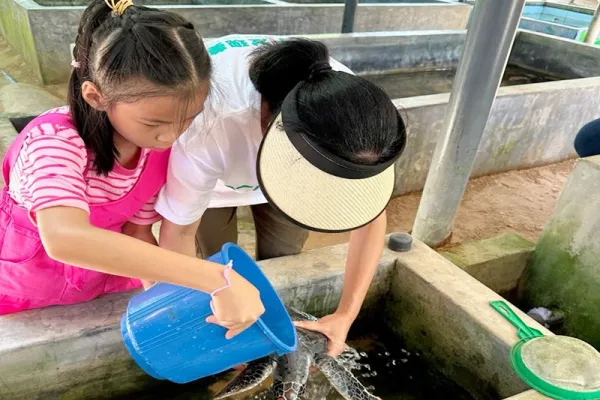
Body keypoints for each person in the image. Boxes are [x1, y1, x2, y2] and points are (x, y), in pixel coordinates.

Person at [0, 1, 265, 340]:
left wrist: (174, 305)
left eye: (188, 119)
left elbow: (137, 233)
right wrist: (216, 279)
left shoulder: (154, 151)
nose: (171, 136)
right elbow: (65, 237)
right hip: (29, 289)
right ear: (96, 96)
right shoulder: (53, 141)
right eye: (154, 122)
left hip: (106, 281)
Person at [156, 35, 407, 356]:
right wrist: (201, 311)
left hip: (286, 163)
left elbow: (370, 218)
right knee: (221, 264)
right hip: (217, 185)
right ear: (273, 127)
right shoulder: (208, 118)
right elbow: (178, 229)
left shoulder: (359, 122)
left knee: (284, 253)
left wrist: (346, 315)